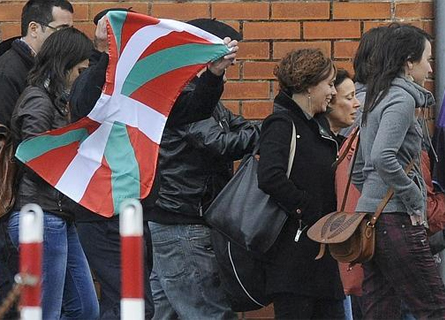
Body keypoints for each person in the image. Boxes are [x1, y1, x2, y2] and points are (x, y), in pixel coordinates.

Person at [68, 12, 240, 320]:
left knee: (145, 306)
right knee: (128, 305)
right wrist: (107, 53)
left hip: (139, 207)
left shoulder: (142, 89)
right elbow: (83, 104)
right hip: (102, 209)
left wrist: (213, 75)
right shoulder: (94, 83)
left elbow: (192, 110)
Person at [147, 19, 259, 320]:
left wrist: (261, 131)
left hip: (179, 219)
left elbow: (237, 126)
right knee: (210, 311)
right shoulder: (182, 96)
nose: (227, 63)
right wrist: (272, 134)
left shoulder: (198, 96)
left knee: (168, 312)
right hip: (184, 221)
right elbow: (220, 142)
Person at [352, 24, 445, 318]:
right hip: (397, 218)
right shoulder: (402, 99)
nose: (430, 68)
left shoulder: (376, 96)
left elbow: (359, 166)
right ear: (408, 62)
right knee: (434, 305)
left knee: (380, 305)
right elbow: (382, 156)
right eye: (427, 59)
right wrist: (415, 199)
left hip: (371, 217)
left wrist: (370, 196)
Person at [8, 27, 99, 320]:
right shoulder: (38, 99)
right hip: (41, 216)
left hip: (57, 215)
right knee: (46, 312)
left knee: (85, 308)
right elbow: (34, 158)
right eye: (80, 70)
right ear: (66, 64)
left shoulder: (56, 100)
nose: (81, 78)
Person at [257, 48, 344, 319]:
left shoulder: (317, 128)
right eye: (329, 84)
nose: (333, 92)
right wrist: (307, 210)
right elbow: (270, 176)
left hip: (322, 257)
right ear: (308, 86)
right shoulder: (282, 124)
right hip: (293, 257)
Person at [0, 1, 73, 317]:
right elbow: (8, 144)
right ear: (34, 28)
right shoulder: (9, 71)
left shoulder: (41, 72)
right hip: (21, 204)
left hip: (48, 202)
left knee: (78, 306)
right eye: (62, 31)